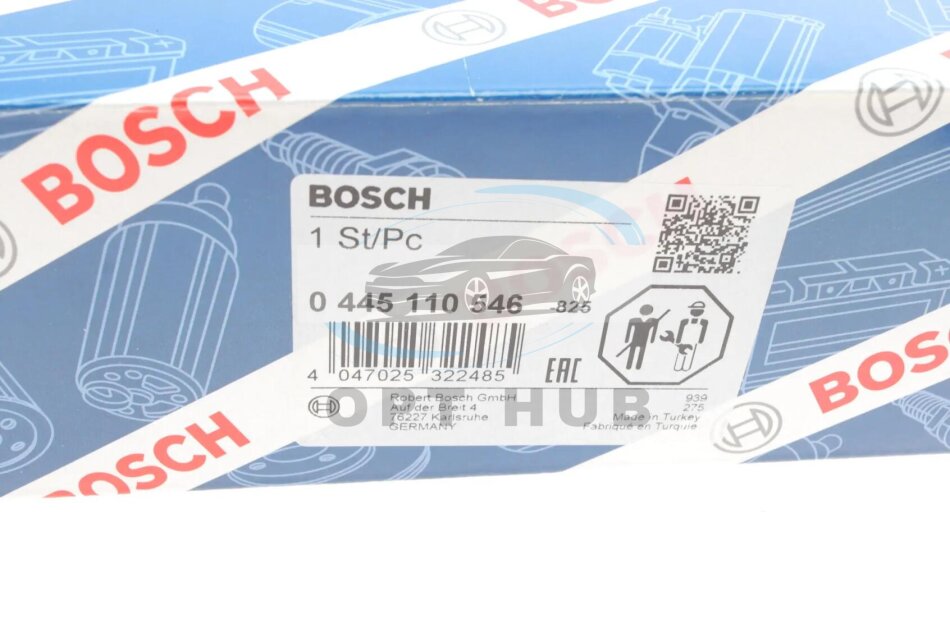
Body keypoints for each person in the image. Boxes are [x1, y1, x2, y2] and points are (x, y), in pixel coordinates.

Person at [618, 304, 668, 370]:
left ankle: (637, 366)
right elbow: (629, 330)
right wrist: (627, 339)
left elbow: (653, 332)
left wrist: (652, 340)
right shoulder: (635, 320)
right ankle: (629, 366)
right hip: (635, 339)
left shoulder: (652, 321)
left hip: (643, 340)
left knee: (640, 353)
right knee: (632, 352)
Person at [674, 301, 709, 372]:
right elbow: (680, 330)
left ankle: (686, 368)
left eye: (697, 310)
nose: (695, 312)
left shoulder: (703, 322)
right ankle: (678, 368)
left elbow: (703, 332)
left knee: (689, 358)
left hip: (694, 343)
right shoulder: (685, 321)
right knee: (680, 357)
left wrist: (700, 341)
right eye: (693, 310)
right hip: (683, 341)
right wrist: (678, 341)